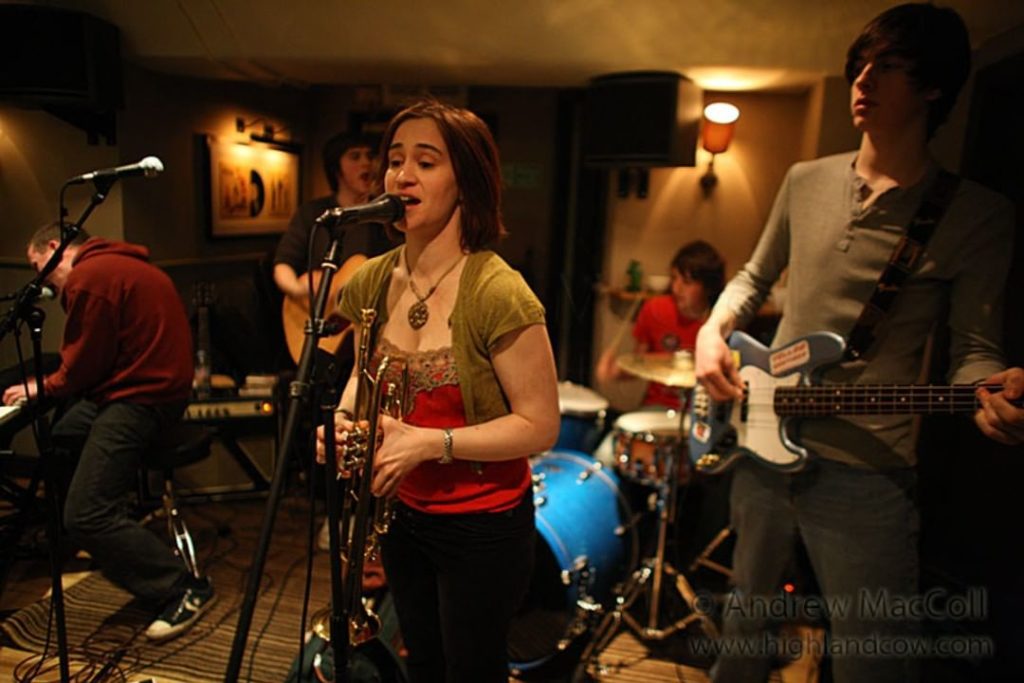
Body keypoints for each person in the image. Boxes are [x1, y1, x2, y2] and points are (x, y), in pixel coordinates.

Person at [693, 4, 1024, 682]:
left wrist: (991, 393)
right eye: (859, 65)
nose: (863, 79)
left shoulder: (977, 215)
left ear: (934, 88)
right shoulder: (805, 180)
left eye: (889, 67)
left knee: (877, 659)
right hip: (762, 447)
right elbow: (753, 277)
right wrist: (710, 331)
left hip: (867, 472)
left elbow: (975, 346)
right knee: (742, 640)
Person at [316, 100, 560, 682]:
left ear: (466, 182)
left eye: (425, 162)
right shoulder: (373, 278)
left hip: (483, 524)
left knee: (471, 668)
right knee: (421, 659)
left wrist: (429, 444)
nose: (402, 175)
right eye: (395, 160)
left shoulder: (500, 292)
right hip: (400, 513)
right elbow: (360, 373)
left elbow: (540, 426)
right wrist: (343, 422)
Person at [1, 224, 216, 642]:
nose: (39, 278)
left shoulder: (90, 277)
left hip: (140, 400)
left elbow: (83, 366)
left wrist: (42, 386)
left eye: (37, 266)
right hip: (150, 391)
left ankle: (184, 587)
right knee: (64, 434)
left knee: (85, 513)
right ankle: (109, 538)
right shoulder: (122, 263)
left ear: (54, 247)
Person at [596, 239, 725, 410]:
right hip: (657, 407)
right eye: (674, 278)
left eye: (686, 282)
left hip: (701, 410)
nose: (676, 288)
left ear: (708, 286)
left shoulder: (721, 320)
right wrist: (614, 372)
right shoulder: (655, 309)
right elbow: (639, 362)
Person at [273, 130, 391, 305]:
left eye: (370, 156)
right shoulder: (312, 212)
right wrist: (298, 291)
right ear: (336, 168)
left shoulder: (385, 214)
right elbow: (283, 263)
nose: (366, 163)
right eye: (355, 156)